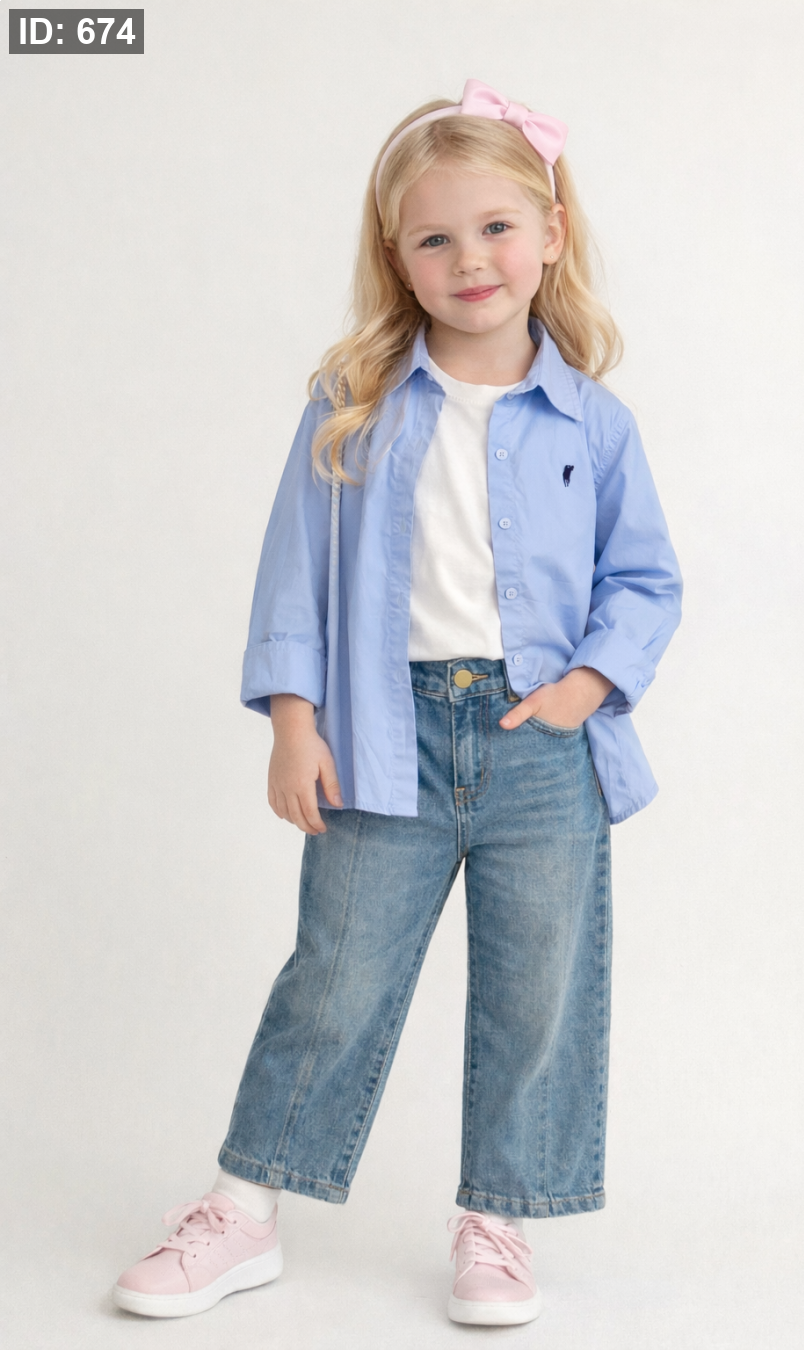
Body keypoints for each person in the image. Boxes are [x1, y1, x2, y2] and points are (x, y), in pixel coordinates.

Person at [112, 78, 682, 1327]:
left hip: (543, 746)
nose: (470, 259)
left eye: (496, 228)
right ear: (396, 257)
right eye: (435, 237)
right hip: (383, 735)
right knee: (336, 974)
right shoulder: (353, 403)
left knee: (537, 989)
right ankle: (244, 1210)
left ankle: (499, 1220)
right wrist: (293, 720)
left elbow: (645, 580)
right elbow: (293, 573)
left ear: (551, 234)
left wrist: (587, 686)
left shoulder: (594, 421)